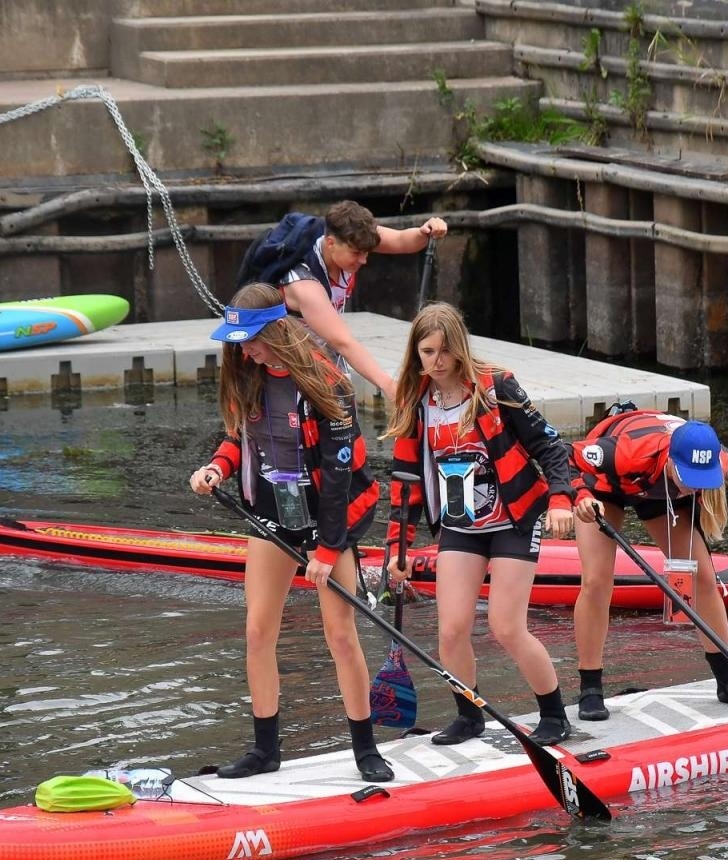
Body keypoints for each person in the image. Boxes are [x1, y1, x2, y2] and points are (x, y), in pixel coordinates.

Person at [189, 282, 392, 783]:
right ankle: (265, 750)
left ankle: (366, 749)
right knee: (258, 631)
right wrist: (216, 468)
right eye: (238, 343)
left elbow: (340, 476)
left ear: (277, 331)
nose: (245, 352)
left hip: (328, 517)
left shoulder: (328, 382)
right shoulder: (246, 374)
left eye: (251, 341)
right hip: (273, 516)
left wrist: (327, 549)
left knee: (340, 635)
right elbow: (240, 440)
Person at [383, 303, 578, 747]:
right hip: (460, 524)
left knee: (506, 627)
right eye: (427, 352)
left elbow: (550, 446)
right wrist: (399, 548)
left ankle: (554, 714)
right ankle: (469, 717)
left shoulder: (496, 386)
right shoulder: (416, 402)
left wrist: (561, 499)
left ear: (460, 349)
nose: (436, 362)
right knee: (451, 631)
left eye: (444, 351)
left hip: (514, 517)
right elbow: (406, 482)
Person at [569, 410, 728, 719]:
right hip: (604, 488)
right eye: (690, 479)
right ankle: (590, 688)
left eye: (702, 481)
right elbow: (563, 457)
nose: (696, 488)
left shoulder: (720, 460)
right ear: (670, 461)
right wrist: (580, 496)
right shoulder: (624, 452)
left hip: (662, 493)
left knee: (703, 579)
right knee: (596, 581)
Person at [252, 199, 448, 396]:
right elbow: (344, 342)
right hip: (289, 363)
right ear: (330, 243)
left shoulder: (354, 238)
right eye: (357, 253)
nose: (364, 260)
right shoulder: (304, 285)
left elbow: (400, 240)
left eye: (367, 252)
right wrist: (389, 385)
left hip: (324, 353)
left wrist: (425, 231)